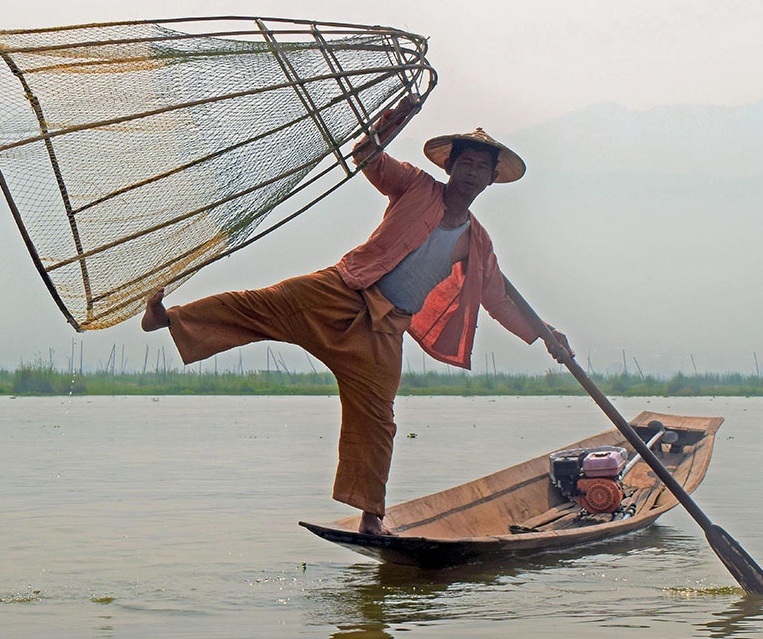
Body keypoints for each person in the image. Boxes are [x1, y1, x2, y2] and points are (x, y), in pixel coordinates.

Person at [141, 97, 572, 534]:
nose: (473, 173)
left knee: (377, 421)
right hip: (344, 290)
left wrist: (545, 334)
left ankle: (371, 517)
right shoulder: (417, 186)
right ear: (451, 167)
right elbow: (368, 156)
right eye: (468, 163)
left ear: (490, 181)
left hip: (386, 328)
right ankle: (169, 320)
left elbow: (497, 301)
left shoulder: (477, 242)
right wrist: (394, 120)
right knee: (259, 304)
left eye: (482, 168)